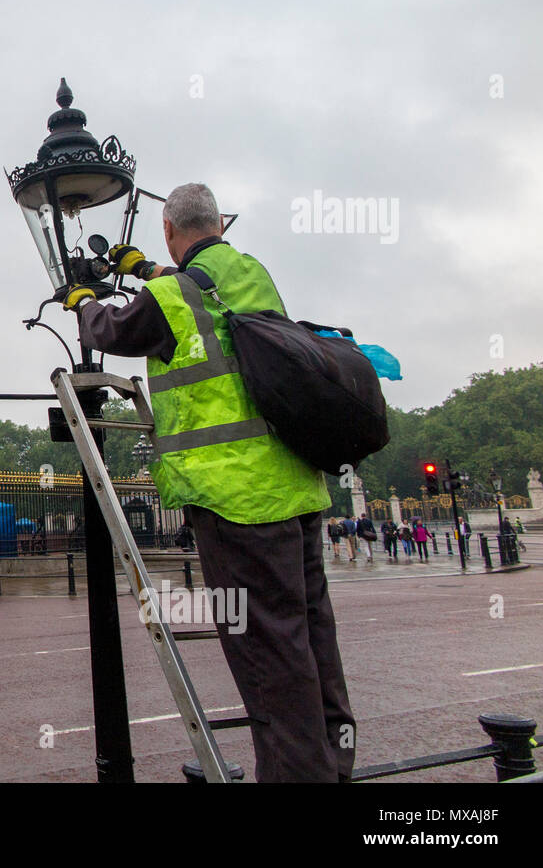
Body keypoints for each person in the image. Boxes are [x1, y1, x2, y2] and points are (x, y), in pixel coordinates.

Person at [65, 181, 355, 782]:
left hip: (235, 498)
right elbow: (202, 294)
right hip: (297, 487)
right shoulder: (251, 270)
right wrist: (143, 267)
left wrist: (83, 299)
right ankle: (335, 763)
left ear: (170, 230)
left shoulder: (172, 294)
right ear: (218, 225)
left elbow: (116, 332)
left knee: (270, 660)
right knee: (312, 640)